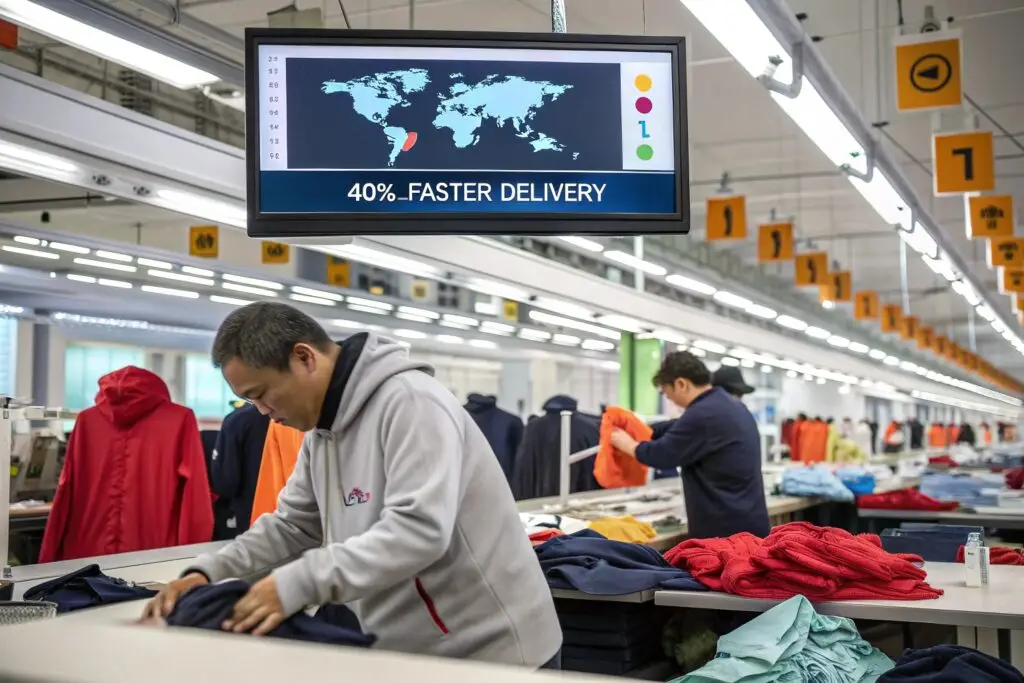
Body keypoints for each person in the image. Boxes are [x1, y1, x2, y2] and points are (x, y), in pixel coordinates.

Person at [142, 303, 562, 668]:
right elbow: (293, 526)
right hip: (409, 649)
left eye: (263, 393)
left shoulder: (412, 403)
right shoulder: (322, 431)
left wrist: (296, 583)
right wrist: (208, 571)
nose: (263, 411)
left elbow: (418, 531)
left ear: (304, 357)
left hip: (494, 655)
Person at [609, 351, 770, 539]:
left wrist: (628, 444)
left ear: (681, 384)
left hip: (726, 533)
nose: (671, 401)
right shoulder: (727, 405)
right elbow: (678, 427)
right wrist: (640, 428)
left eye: (668, 395)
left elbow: (661, 455)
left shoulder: (702, 414)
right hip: (746, 522)